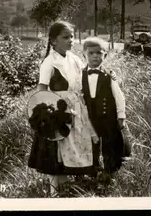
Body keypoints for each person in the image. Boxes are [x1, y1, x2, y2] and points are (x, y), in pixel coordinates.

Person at [28, 20, 99, 196]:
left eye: (72, 37)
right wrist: (50, 115)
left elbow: (85, 80)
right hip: (58, 111)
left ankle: (72, 188)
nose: (70, 40)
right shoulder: (49, 63)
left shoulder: (75, 60)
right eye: (65, 37)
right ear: (53, 41)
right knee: (57, 149)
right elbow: (41, 91)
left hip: (77, 108)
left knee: (77, 148)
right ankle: (55, 192)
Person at [81, 36, 131, 185]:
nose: (95, 56)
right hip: (90, 118)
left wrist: (121, 116)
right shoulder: (80, 75)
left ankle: (111, 171)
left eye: (99, 53)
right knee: (91, 143)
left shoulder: (109, 75)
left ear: (105, 55)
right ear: (84, 54)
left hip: (108, 117)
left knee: (110, 143)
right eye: (91, 53)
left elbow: (119, 97)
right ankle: (92, 170)